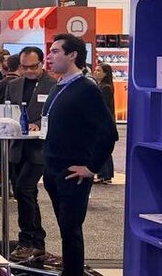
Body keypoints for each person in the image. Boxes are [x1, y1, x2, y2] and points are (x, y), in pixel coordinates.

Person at [40, 34, 119, 276]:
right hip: (53, 169)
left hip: (73, 172)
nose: (50, 56)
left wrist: (91, 167)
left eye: (55, 51)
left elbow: (108, 132)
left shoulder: (86, 89)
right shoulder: (59, 86)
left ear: (72, 55)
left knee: (71, 231)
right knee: (65, 229)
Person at [0, 47, 56, 263]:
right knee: (25, 194)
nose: (29, 71)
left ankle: (29, 240)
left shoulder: (53, 85)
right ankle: (34, 241)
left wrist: (38, 124)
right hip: (16, 147)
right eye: (24, 67)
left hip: (39, 149)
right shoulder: (13, 85)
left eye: (33, 66)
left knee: (25, 189)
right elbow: (7, 111)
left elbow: (54, 114)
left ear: (42, 64)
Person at [93, 62, 116, 184]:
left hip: (103, 122)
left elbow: (102, 105)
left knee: (102, 148)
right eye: (95, 70)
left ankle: (105, 175)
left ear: (105, 74)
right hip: (102, 121)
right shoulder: (101, 86)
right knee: (101, 148)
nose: (95, 72)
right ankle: (104, 175)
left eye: (98, 71)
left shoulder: (105, 88)